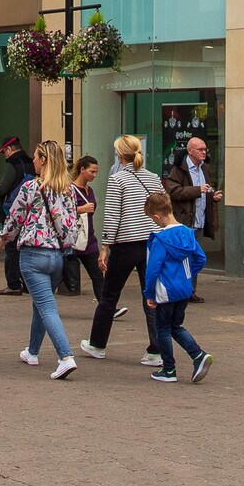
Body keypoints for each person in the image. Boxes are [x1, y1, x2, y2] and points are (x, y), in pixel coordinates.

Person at [0, 139, 80, 380]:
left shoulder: (31, 187)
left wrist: (0, 243)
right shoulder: (69, 189)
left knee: (47, 307)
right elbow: (73, 222)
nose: (33, 163)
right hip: (57, 256)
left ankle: (65, 356)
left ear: (44, 161)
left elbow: (14, 219)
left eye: (36, 158)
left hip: (33, 255)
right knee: (41, 304)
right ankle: (32, 351)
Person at [78, 135, 165, 368]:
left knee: (109, 295)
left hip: (126, 244)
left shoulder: (118, 179)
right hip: (152, 242)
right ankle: (157, 351)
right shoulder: (154, 178)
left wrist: (105, 247)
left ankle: (97, 344)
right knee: (152, 296)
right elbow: (163, 210)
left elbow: (112, 216)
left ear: (119, 155)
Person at [142, 189, 210, 384]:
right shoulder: (188, 233)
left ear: (157, 216)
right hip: (184, 289)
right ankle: (197, 355)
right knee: (176, 326)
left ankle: (169, 369)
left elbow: (153, 268)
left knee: (162, 328)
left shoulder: (160, 239)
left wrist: (149, 292)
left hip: (166, 290)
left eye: (153, 219)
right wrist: (187, 276)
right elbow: (201, 258)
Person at [162, 136, 220, 303]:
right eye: (200, 149)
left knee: (194, 257)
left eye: (205, 149)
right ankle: (181, 290)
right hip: (184, 221)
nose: (204, 152)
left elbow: (204, 191)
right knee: (183, 257)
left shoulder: (204, 168)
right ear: (190, 151)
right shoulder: (179, 169)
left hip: (200, 220)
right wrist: (197, 190)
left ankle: (189, 291)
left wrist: (213, 196)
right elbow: (173, 192)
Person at [0, 136, 35, 296]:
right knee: (25, 248)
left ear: (9, 150)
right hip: (30, 210)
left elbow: (3, 189)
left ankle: (14, 284)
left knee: (11, 248)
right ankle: (29, 284)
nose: (5, 156)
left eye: (4, 153)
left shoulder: (12, 164)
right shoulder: (32, 162)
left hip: (13, 210)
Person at [60, 154, 102, 297]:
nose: (94, 175)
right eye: (92, 171)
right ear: (82, 169)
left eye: (96, 172)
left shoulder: (89, 190)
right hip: (73, 239)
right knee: (63, 275)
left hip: (88, 239)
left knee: (97, 275)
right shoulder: (69, 189)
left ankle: (107, 309)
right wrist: (80, 209)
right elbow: (60, 211)